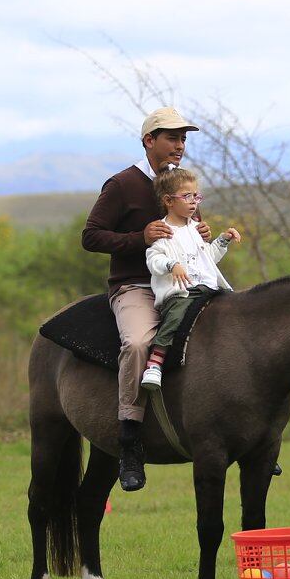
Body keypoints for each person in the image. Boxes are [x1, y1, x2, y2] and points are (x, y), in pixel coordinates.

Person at [82, 107, 212, 491]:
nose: (180, 145)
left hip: (183, 284)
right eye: (172, 137)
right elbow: (90, 236)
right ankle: (129, 441)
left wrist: (201, 232)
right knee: (138, 343)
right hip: (136, 286)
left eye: (184, 138)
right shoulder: (122, 184)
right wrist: (139, 238)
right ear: (148, 141)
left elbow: (187, 235)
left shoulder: (183, 184)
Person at [139, 168, 241, 389]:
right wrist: (171, 264)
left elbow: (209, 259)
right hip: (182, 293)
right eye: (187, 196)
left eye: (196, 196)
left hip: (208, 288)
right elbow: (153, 259)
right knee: (175, 317)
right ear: (168, 201)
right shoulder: (163, 231)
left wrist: (223, 240)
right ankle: (155, 362)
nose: (194, 201)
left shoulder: (196, 229)